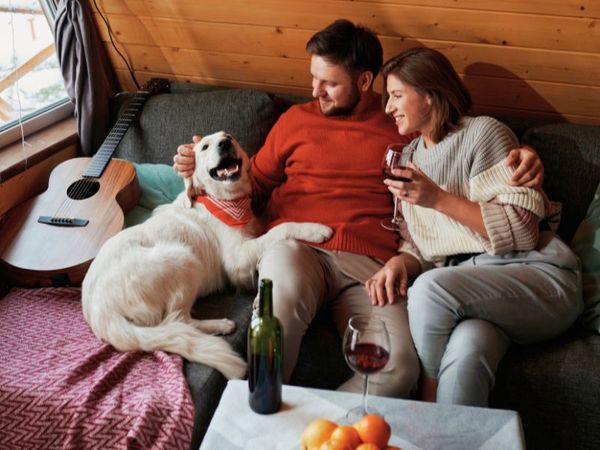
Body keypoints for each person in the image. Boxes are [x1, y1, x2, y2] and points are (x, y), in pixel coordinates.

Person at [173, 19, 544, 397]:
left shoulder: (402, 126)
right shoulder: (294, 121)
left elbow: (456, 137)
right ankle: (258, 421)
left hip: (372, 266)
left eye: (329, 83)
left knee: (398, 369)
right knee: (273, 323)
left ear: (365, 82)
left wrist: (525, 157)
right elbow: (251, 188)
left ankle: (320, 435)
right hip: (296, 248)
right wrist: (198, 174)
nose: (315, 91)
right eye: (314, 78)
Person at [366, 46, 582, 406]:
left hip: (536, 274)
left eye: (397, 95)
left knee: (429, 291)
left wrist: (437, 198)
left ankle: (425, 404)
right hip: (473, 291)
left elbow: (522, 231)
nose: (387, 107)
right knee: (466, 352)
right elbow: (428, 244)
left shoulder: (483, 134)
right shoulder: (407, 157)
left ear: (431, 95)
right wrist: (401, 261)